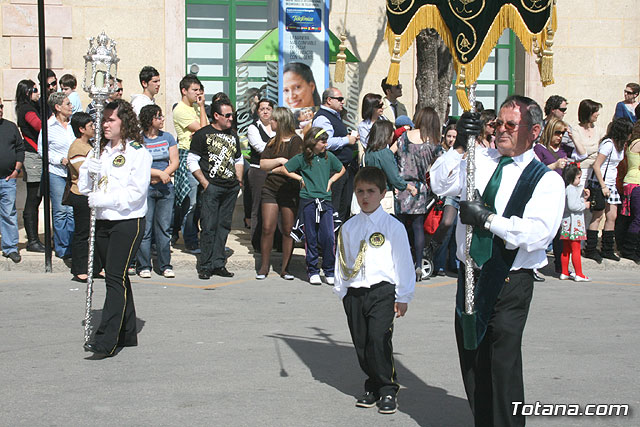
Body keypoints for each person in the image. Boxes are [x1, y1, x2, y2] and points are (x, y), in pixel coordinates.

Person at [430, 95, 565, 427]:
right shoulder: (479, 160)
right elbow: (439, 183)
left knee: (502, 368)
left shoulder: (546, 180)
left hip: (509, 281)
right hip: (471, 276)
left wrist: (488, 219)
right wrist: (461, 144)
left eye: (510, 125)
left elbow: (538, 234)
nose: (501, 130)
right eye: (497, 123)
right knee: (473, 362)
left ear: (534, 131)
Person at [333, 166, 415, 415]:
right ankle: (372, 384)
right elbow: (342, 259)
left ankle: (388, 388)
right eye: (360, 192)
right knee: (362, 343)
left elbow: (402, 261)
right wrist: (342, 291)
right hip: (355, 292)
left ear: (382, 194)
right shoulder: (349, 227)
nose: (365, 197)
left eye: (371, 191)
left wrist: (403, 296)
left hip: (383, 291)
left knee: (378, 339)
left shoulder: (393, 226)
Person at [78, 99, 152, 357]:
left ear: (124, 122)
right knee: (116, 276)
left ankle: (105, 340)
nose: (105, 124)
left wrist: (105, 199)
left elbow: (136, 193)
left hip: (128, 221)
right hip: (103, 221)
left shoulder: (138, 152)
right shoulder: (98, 151)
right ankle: (127, 333)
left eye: (111, 120)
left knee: (113, 277)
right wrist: (88, 170)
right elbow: (85, 188)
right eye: (104, 120)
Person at [278, 127, 345, 284]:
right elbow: (285, 169)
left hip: (325, 200)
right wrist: (300, 179)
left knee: (328, 236)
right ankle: (313, 270)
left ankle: (329, 270)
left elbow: (341, 169)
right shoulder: (302, 158)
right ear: (313, 142)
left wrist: (331, 180)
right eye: (323, 141)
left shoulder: (329, 157)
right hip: (308, 200)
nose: (326, 145)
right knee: (311, 236)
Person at [188, 97, 243, 280]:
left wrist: (239, 179)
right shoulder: (202, 134)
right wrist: (205, 183)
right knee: (209, 226)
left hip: (230, 188)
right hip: (212, 188)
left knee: (223, 226)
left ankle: (219, 264)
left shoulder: (233, 134)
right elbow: (191, 160)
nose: (230, 118)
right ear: (216, 115)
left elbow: (238, 159)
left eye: (232, 115)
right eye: (227, 115)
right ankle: (205, 265)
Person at [534, 117, 587, 274]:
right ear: (550, 131)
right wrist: (554, 165)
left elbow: (583, 154)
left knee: (560, 233)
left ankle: (561, 266)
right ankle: (535, 265)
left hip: (562, 194)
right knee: (544, 230)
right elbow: (536, 171)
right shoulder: (540, 148)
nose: (560, 136)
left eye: (562, 133)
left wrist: (573, 137)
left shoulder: (564, 148)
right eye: (558, 133)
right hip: (546, 193)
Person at [256, 107, 303, 279]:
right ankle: (264, 266)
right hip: (270, 189)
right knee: (267, 227)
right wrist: (279, 161)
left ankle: (285, 268)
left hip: (289, 190)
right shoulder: (272, 141)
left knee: (287, 229)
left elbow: (291, 168)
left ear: (281, 121)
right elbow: (263, 164)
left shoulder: (296, 141)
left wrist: (275, 168)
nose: (271, 122)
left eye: (274, 120)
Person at [395, 106, 440, 281]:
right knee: (417, 227)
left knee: (400, 227)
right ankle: (418, 264)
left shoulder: (405, 137)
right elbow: (441, 163)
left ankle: (400, 262)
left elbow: (389, 152)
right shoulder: (433, 142)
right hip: (419, 187)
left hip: (401, 186)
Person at [136, 105, 179, 279]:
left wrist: (163, 174)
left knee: (164, 228)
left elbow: (174, 161)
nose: (162, 119)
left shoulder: (168, 138)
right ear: (149, 119)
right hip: (146, 188)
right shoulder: (138, 140)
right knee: (145, 229)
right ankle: (144, 265)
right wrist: (156, 174)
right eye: (158, 117)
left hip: (165, 187)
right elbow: (137, 165)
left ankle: (165, 265)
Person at [584, 118, 634, 263]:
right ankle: (591, 249)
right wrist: (604, 186)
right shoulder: (608, 145)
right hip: (601, 185)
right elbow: (596, 165)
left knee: (612, 216)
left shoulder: (619, 146)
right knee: (597, 216)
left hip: (611, 185)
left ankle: (607, 249)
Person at [172, 74, 208, 254]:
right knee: (190, 201)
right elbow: (202, 130)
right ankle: (190, 240)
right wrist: (201, 108)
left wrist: (200, 108)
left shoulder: (194, 108)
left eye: (199, 90)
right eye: (194, 90)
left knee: (199, 202)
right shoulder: (181, 109)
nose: (197, 93)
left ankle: (192, 235)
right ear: (184, 91)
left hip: (199, 155)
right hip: (187, 155)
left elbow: (206, 128)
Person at [37, 92, 75, 259]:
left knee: (72, 210)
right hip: (57, 172)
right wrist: (60, 159)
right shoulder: (48, 126)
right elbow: (42, 150)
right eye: (67, 104)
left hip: (74, 172)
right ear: (58, 107)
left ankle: (73, 246)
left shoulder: (73, 125)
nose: (71, 107)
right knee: (61, 210)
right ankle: (62, 248)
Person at [312, 88, 358, 221]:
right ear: (329, 100)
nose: (342, 102)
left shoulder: (334, 115)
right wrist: (346, 140)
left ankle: (337, 239)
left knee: (343, 208)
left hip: (342, 169)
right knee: (333, 209)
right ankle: (329, 240)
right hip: (332, 170)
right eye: (339, 99)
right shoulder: (322, 117)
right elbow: (324, 142)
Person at [67, 112, 101, 282]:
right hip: (81, 194)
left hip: (92, 194)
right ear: (81, 129)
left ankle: (95, 267)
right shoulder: (77, 148)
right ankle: (79, 268)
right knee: (82, 233)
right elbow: (85, 173)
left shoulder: (89, 145)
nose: (94, 128)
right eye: (90, 126)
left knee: (95, 232)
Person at [15, 79, 45, 252]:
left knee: (37, 197)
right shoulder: (26, 109)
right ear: (27, 92)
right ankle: (32, 240)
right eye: (34, 89)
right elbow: (39, 125)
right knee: (33, 198)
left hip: (37, 155)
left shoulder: (33, 107)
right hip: (33, 156)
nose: (37, 92)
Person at [362, 120, 417, 214]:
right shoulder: (385, 153)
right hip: (384, 195)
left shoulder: (368, 152)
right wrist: (410, 188)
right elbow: (394, 178)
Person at [246, 99, 275, 251]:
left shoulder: (278, 127)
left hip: (276, 171)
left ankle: (275, 242)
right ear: (257, 112)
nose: (265, 111)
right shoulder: (253, 128)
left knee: (276, 206)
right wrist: (279, 148)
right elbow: (260, 147)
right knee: (257, 206)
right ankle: (257, 243)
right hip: (258, 170)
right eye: (262, 108)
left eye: (268, 108)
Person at [0, 99, 25, 263]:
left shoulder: (10, 127)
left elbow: (20, 149)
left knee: (8, 214)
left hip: (7, 179)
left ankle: (10, 247)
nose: (0, 110)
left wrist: (16, 171)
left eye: (1, 106)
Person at [560, 163, 591, 281]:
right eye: (578, 177)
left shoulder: (568, 189)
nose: (580, 180)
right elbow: (573, 206)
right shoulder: (571, 189)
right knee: (576, 249)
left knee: (566, 250)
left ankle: (564, 272)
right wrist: (585, 205)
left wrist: (584, 198)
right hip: (574, 225)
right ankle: (579, 274)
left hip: (567, 224)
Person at [620, 121, 640, 263]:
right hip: (636, 182)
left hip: (631, 182)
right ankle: (628, 250)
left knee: (634, 218)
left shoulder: (632, 142)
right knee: (638, 218)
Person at [574, 99, 606, 186]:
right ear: (588, 112)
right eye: (595, 111)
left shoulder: (600, 130)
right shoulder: (576, 130)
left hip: (597, 171)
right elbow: (580, 152)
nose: (598, 114)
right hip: (581, 171)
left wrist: (587, 150)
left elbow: (602, 150)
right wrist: (594, 149)